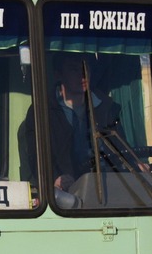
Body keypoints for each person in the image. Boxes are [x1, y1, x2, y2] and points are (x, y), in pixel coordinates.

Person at [48, 53, 122, 188]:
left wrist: (136, 165)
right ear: (58, 75)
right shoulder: (44, 112)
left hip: (108, 188)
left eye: (85, 68)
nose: (82, 75)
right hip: (66, 196)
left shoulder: (107, 109)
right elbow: (36, 160)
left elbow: (121, 149)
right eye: (74, 69)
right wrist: (54, 179)